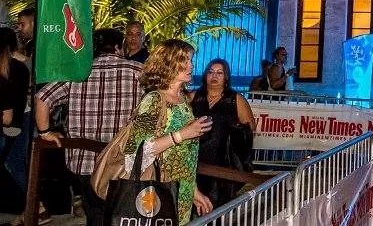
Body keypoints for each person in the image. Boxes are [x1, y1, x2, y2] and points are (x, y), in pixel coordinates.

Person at [32, 28, 140, 226]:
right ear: (119, 47)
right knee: (122, 216)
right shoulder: (138, 71)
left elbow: (42, 98)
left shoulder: (77, 72)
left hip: (84, 163)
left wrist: (45, 132)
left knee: (95, 215)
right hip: (122, 162)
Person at [122, 39, 214, 224]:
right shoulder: (154, 100)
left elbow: (185, 156)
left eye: (190, 60)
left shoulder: (182, 99)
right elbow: (134, 150)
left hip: (181, 192)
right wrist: (182, 134)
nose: (191, 65)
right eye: (184, 60)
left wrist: (193, 191)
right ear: (168, 64)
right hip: (158, 191)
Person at [190, 59, 256, 209]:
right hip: (195, 159)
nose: (214, 76)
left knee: (218, 205)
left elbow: (250, 127)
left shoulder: (235, 99)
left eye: (219, 73)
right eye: (211, 72)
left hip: (223, 163)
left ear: (226, 77)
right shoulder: (194, 96)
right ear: (205, 75)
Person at [0, 27, 30, 208]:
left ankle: (31, 205)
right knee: (15, 162)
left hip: (11, 122)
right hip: (20, 119)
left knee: (13, 163)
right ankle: (31, 206)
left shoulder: (10, 68)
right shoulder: (21, 66)